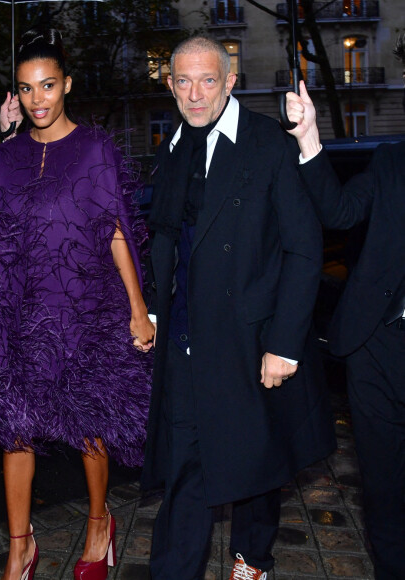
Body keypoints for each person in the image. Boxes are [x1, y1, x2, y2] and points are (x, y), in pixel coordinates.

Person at [0, 28, 154, 580]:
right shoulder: (6, 157)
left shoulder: (95, 147)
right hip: (18, 307)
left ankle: (99, 527)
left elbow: (116, 230)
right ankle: (20, 547)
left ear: (67, 86)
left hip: (85, 305)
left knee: (90, 423)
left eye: (48, 86)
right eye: (27, 89)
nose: (38, 99)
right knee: (14, 425)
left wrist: (136, 308)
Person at [140, 36, 336, 580]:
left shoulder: (266, 144)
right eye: (183, 81)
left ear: (230, 82)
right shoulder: (171, 147)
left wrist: (285, 344)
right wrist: (154, 312)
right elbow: (165, 241)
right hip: (184, 341)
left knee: (252, 464)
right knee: (186, 468)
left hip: (250, 341)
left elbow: (304, 247)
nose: (195, 93)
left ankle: (252, 560)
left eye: (207, 80)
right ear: (171, 85)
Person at [286, 79, 405, 580]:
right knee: (384, 486)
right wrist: (309, 138)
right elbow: (338, 211)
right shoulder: (392, 163)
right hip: (379, 344)